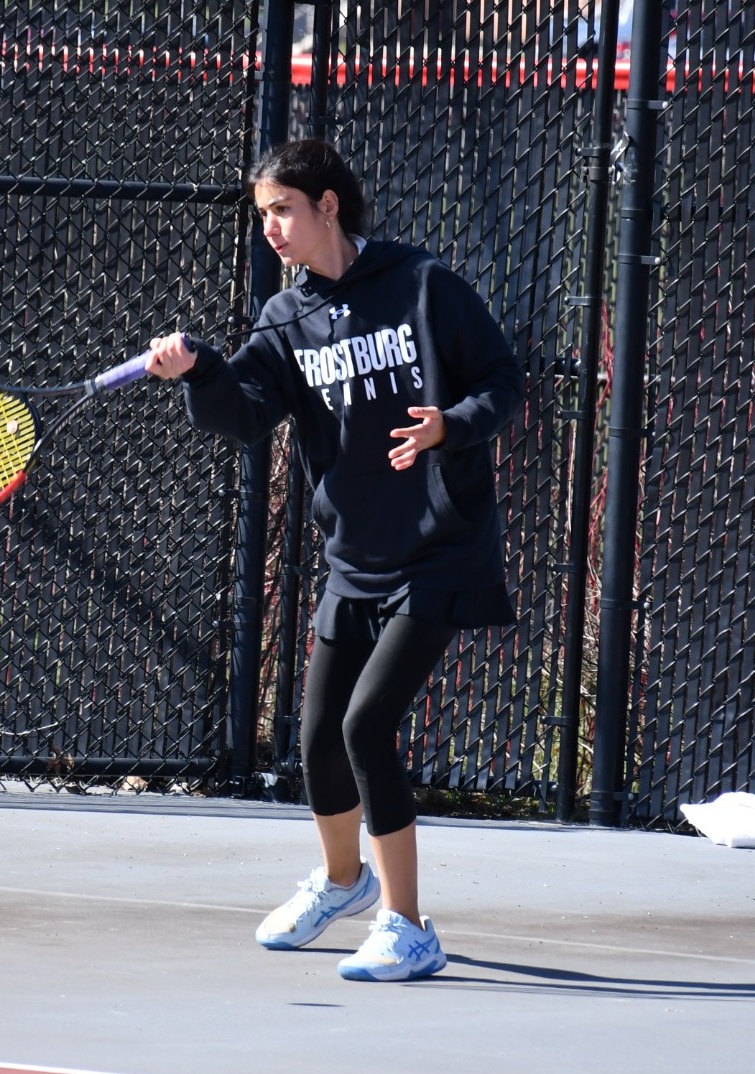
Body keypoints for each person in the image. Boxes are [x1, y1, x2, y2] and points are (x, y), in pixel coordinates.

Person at [144, 139, 522, 982]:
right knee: (317, 736)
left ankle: (407, 924)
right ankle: (344, 882)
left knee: (365, 726)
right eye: (263, 215)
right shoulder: (287, 318)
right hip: (356, 556)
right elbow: (241, 415)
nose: (271, 228)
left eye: (282, 209)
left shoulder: (423, 284)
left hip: (440, 551)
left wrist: (449, 426)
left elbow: (504, 379)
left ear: (328, 206)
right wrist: (200, 368)